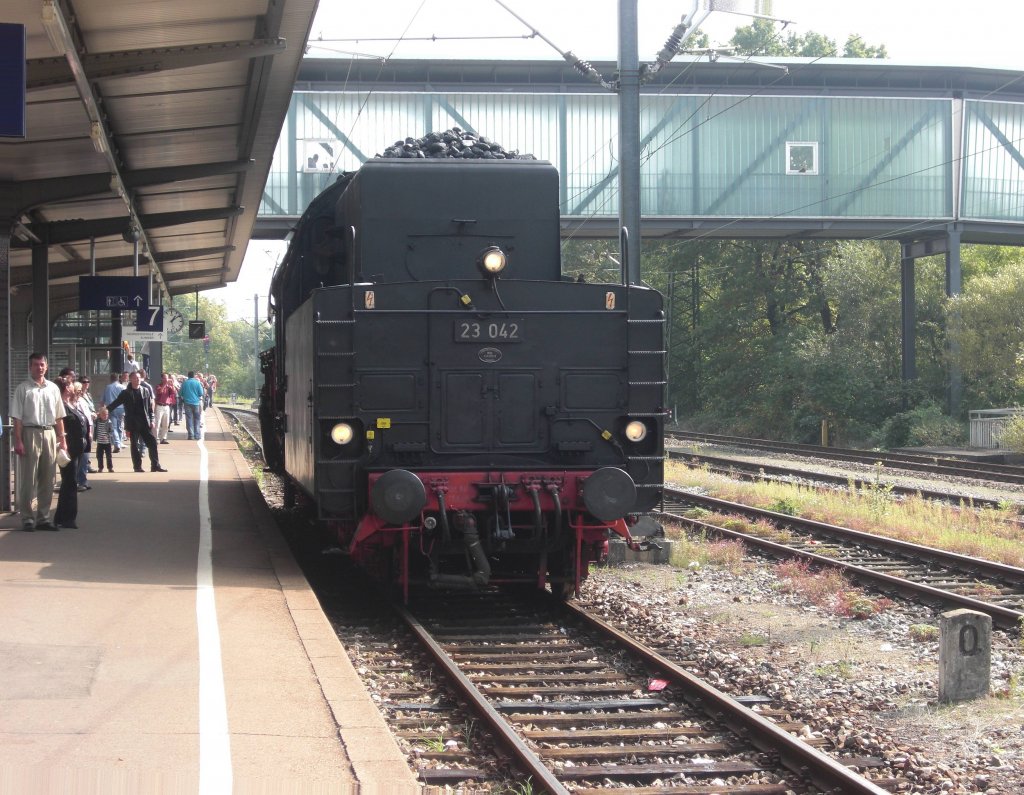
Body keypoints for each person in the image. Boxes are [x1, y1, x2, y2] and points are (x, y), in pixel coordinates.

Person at [10, 353, 68, 531]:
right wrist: (18, 441)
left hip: (49, 433)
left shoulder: (53, 388)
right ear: (30, 367)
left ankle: (43, 518)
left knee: (48, 478)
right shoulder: (23, 389)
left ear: (47, 366)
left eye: (42, 364)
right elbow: (17, 418)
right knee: (28, 478)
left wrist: (62, 440)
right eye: (36, 365)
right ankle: (27, 518)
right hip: (30, 433)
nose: (39, 368)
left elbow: (59, 416)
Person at [103, 371, 167, 473]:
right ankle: (137, 466)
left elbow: (150, 407)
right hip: (133, 423)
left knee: (152, 443)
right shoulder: (126, 393)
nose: (138, 380)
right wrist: (106, 410)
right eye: (135, 378)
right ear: (131, 379)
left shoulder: (145, 391)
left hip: (145, 422)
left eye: (139, 378)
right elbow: (116, 403)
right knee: (134, 445)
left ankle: (155, 465)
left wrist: (152, 419)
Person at [54, 379, 86, 529]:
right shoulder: (61, 405)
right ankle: (68, 517)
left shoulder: (70, 403)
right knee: (70, 481)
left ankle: (60, 516)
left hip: (77, 447)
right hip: (69, 448)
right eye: (71, 384)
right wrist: (63, 444)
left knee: (68, 482)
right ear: (66, 388)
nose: (74, 386)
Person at [74, 380, 94, 490]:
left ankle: (83, 481)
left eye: (80, 391)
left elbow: (87, 417)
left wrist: (90, 431)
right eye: (77, 391)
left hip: (86, 431)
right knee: (80, 458)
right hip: (78, 433)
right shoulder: (72, 403)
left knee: (84, 457)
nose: (80, 393)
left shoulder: (82, 401)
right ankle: (81, 481)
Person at [102, 372, 125, 452]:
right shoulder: (122, 387)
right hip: (121, 408)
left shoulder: (108, 387)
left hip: (111, 408)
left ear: (111, 379)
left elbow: (103, 400)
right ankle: (120, 442)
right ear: (118, 378)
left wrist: (102, 409)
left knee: (113, 427)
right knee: (120, 427)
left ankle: (117, 444)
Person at [180, 371, 205, 441]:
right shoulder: (197, 383)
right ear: (194, 376)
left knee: (189, 419)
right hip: (196, 403)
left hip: (187, 403)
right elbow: (201, 393)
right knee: (197, 419)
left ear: (188, 376)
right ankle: (197, 435)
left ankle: (191, 435)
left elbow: (180, 393)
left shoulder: (184, 383)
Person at [154, 372, 176, 444]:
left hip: (166, 406)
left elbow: (174, 392)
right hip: (159, 406)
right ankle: (155, 438)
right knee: (157, 423)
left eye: (167, 377)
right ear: (162, 378)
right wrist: (165, 384)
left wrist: (172, 385)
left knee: (166, 423)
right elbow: (159, 392)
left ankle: (163, 438)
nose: (166, 379)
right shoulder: (159, 386)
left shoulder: (169, 387)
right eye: (165, 378)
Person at [94, 406, 114, 472]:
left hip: (107, 442)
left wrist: (108, 435)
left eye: (107, 414)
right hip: (100, 443)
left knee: (109, 456)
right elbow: (94, 425)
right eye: (103, 415)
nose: (105, 416)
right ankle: (100, 467)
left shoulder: (109, 422)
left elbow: (112, 431)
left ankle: (110, 467)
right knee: (99, 456)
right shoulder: (97, 421)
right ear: (100, 415)